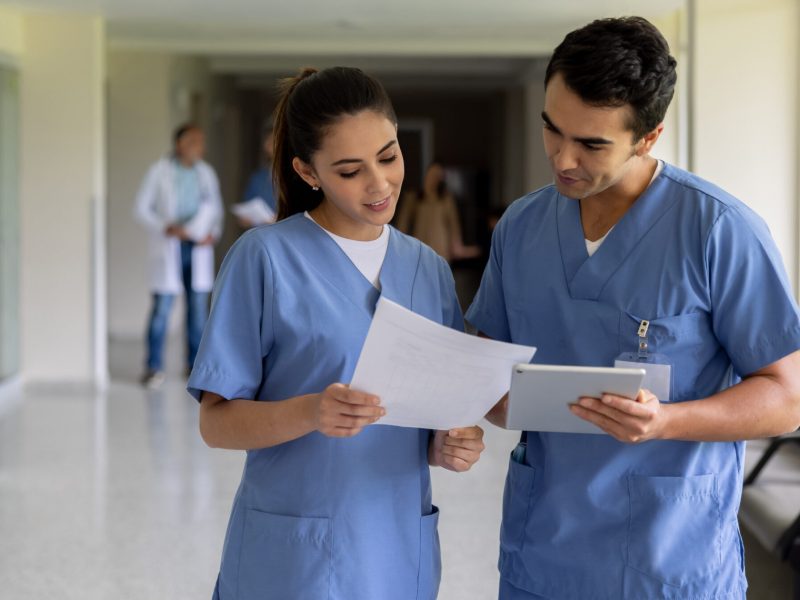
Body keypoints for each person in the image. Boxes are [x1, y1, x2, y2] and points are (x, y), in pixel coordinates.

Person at [466, 17, 800, 600]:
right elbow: (488, 370)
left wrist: (668, 421)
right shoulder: (521, 227)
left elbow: (787, 399)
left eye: (593, 144)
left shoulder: (718, 230)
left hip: (668, 559)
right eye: (552, 129)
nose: (563, 159)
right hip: (541, 552)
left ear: (648, 137)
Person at [187, 67, 486, 600]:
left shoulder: (428, 270)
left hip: (397, 547)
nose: (379, 184)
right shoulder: (264, 259)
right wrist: (311, 412)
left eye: (389, 156)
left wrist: (449, 445)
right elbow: (216, 423)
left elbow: (431, 417)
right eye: (350, 170)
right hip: (294, 556)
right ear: (308, 171)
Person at [134, 123, 223, 388]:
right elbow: (140, 208)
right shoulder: (158, 172)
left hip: (197, 247)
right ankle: (153, 366)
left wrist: (213, 233)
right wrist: (165, 226)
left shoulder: (206, 173)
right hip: (169, 245)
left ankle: (193, 365)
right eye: (194, 141)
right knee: (162, 308)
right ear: (180, 144)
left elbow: (215, 209)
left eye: (201, 142)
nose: (200, 147)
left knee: (197, 309)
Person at [395, 161, 480, 263]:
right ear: (426, 175)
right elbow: (402, 224)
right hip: (419, 248)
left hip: (441, 249)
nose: (433, 179)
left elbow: (454, 224)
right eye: (432, 174)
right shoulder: (413, 198)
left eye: (437, 176)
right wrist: (398, 245)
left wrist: (457, 245)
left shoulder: (446, 199)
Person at [235, 120, 278, 228]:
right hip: (260, 238)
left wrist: (279, 220)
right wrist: (245, 219)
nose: (272, 145)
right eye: (270, 141)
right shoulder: (257, 178)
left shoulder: (299, 177)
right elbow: (242, 219)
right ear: (266, 146)